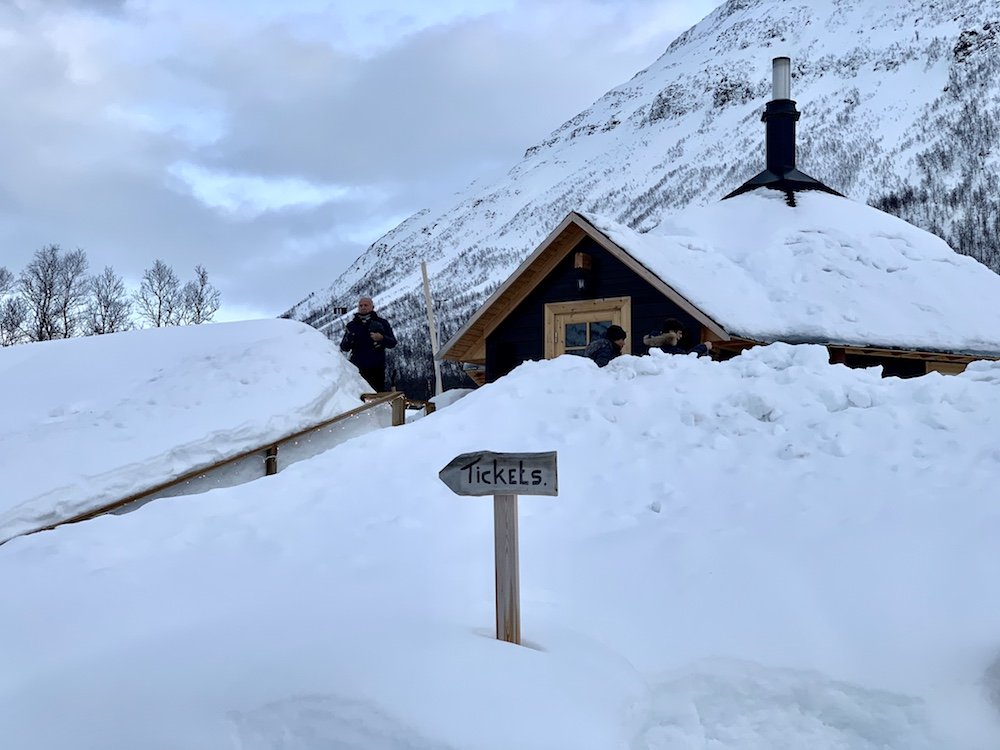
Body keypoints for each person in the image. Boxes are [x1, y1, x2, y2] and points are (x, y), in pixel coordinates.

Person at [339, 296, 397, 391]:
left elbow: (392, 343)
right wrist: (349, 338)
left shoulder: (382, 323)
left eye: (366, 305)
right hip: (356, 369)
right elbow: (344, 347)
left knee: (376, 397)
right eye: (360, 305)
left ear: (372, 307)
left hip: (376, 368)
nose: (363, 307)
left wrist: (381, 338)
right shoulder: (352, 325)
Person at [643, 317, 712, 357]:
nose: (681, 336)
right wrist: (703, 347)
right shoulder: (667, 348)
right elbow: (687, 358)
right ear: (671, 332)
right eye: (679, 333)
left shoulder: (652, 346)